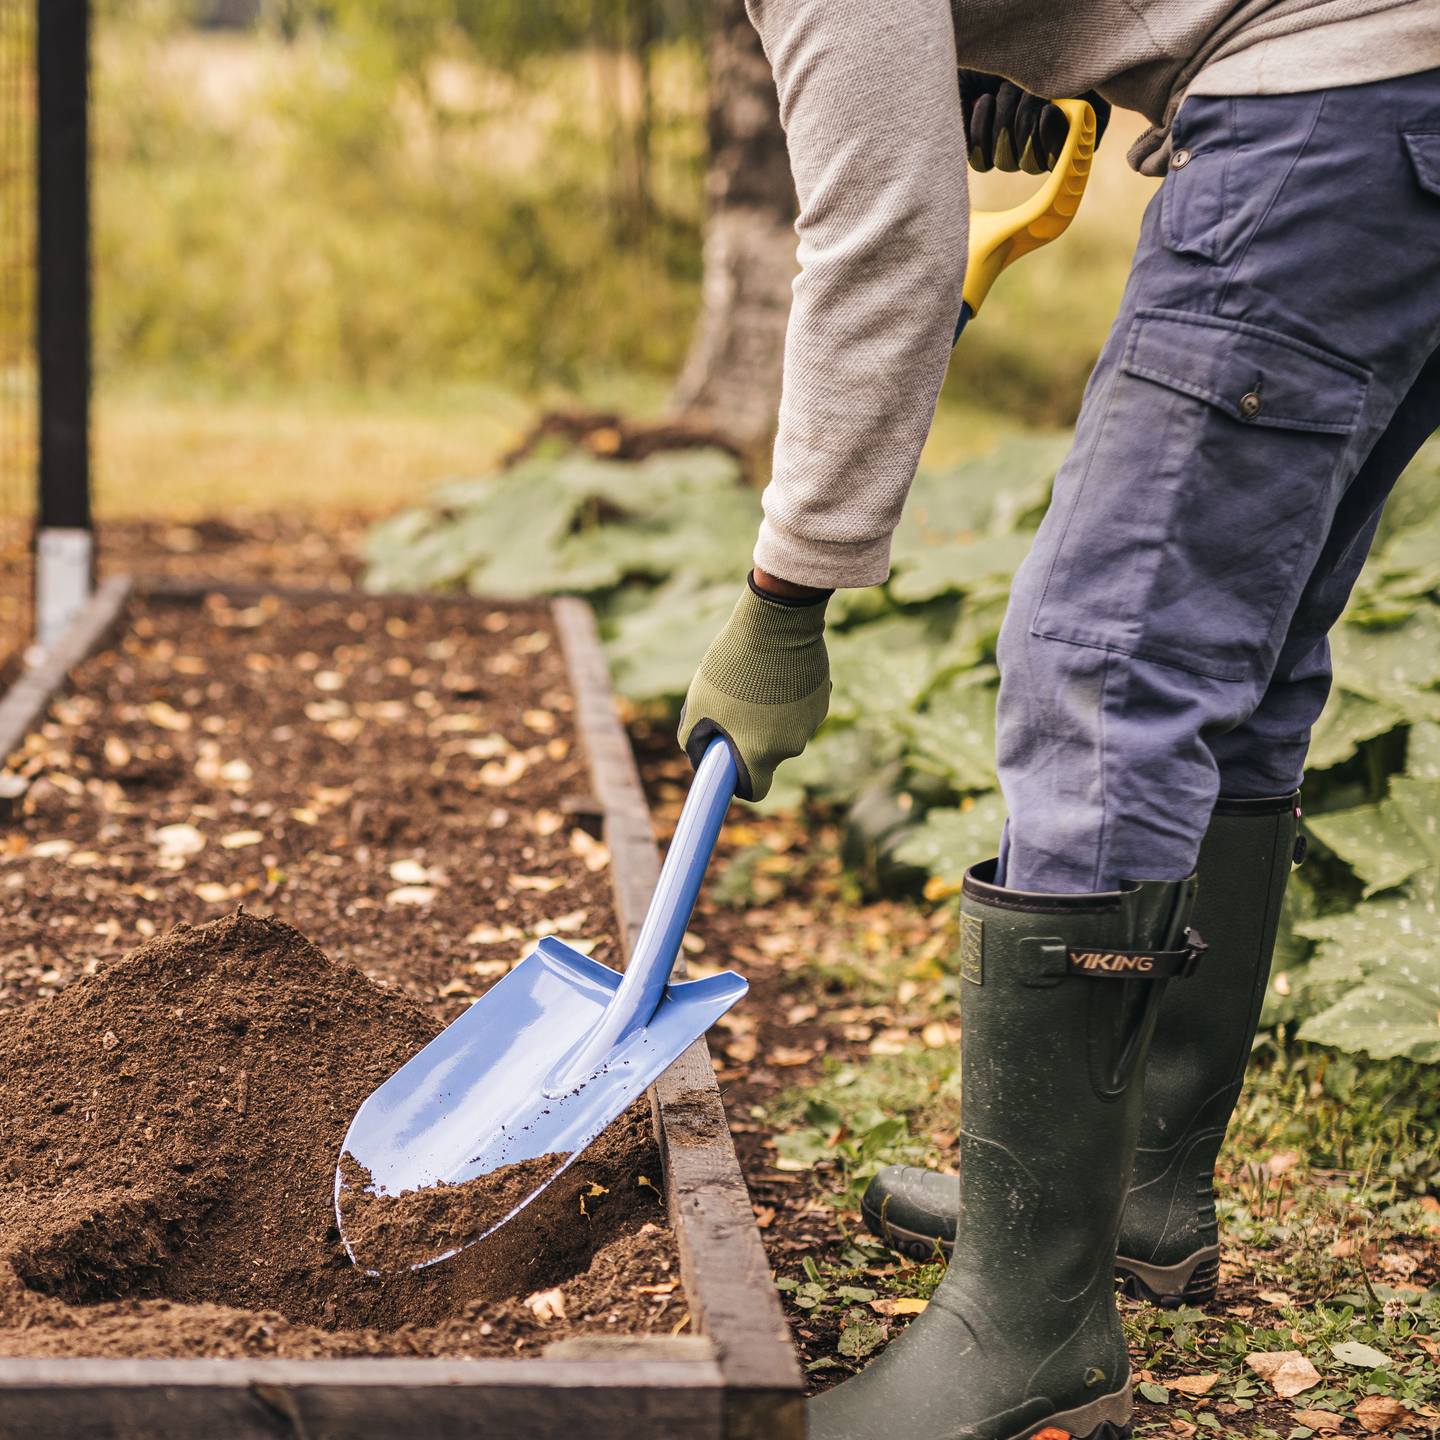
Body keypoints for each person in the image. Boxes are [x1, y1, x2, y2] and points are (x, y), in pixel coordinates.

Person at [676, 3, 1440, 1438]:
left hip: (1331, 103)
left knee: (1108, 666)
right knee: (1236, 658)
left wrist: (788, 592)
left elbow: (885, 238)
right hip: (1401, 100)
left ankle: (1029, 1326)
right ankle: (1135, 1191)